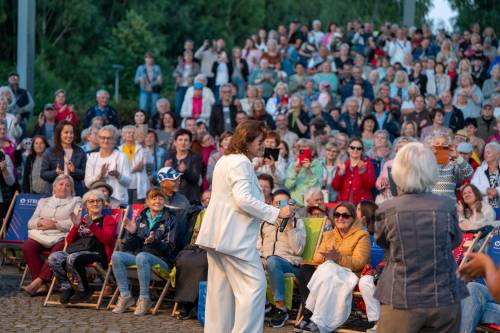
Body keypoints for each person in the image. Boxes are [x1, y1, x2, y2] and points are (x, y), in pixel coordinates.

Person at [195, 120, 295, 333]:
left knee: (220, 293)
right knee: (255, 288)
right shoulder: (241, 162)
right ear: (246, 141)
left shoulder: (226, 160)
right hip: (234, 239)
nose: (263, 146)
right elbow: (243, 200)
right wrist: (277, 213)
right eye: (259, 141)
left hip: (217, 236)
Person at [374, 142, 467, 333]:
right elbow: (456, 241)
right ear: (430, 170)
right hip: (444, 296)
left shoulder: (387, 208)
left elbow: (382, 242)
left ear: (398, 172)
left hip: (401, 296)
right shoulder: (447, 205)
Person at [295, 201, 370, 332]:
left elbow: (359, 263)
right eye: (337, 215)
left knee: (328, 268)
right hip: (328, 271)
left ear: (353, 218)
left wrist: (338, 258)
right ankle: (309, 315)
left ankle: (315, 319)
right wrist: (328, 255)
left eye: (345, 215)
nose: (340, 218)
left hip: (348, 274)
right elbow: (317, 258)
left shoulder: (362, 235)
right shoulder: (329, 234)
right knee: (305, 270)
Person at [111, 188, 179, 316]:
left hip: (162, 261)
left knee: (142, 256)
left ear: (164, 201)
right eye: (154, 198)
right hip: (141, 258)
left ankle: (144, 298)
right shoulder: (140, 218)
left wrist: (154, 241)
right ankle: (125, 296)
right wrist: (132, 234)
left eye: (160, 198)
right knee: (117, 256)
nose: (157, 201)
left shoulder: (171, 219)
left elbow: (170, 248)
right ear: (147, 202)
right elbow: (128, 248)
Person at [48, 190, 117, 303]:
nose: (95, 203)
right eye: (91, 201)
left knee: (73, 258)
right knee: (53, 258)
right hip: (76, 251)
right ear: (86, 205)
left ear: (103, 203)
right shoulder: (81, 221)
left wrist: (92, 225)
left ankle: (84, 289)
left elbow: (107, 239)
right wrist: (76, 226)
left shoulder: (109, 220)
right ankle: (67, 287)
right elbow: (69, 241)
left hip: (97, 253)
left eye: (98, 201)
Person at [22, 175, 82, 296]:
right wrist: (40, 222)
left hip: (62, 236)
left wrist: (56, 225)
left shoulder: (76, 201)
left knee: (57, 251)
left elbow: (75, 223)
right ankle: (43, 285)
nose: (64, 187)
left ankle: (38, 282)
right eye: (60, 184)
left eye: (68, 185)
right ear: (54, 187)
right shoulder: (43, 202)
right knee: (28, 245)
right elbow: (30, 222)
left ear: (71, 189)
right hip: (42, 235)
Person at [257, 189, 306, 328]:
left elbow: (298, 250)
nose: (281, 207)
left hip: (290, 264)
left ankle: (281, 308)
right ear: (272, 206)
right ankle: (265, 304)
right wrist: (260, 257)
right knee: (248, 261)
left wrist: (290, 226)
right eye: (277, 204)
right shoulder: (264, 223)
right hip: (267, 262)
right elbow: (256, 246)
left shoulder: (297, 223)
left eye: (284, 203)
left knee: (272, 261)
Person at [84, 125, 131, 206]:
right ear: (98, 139)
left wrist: (118, 175)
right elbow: (87, 183)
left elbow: (128, 182)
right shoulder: (92, 157)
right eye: (102, 138)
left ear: (114, 140)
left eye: (109, 138)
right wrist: (99, 176)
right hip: (97, 203)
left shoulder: (121, 156)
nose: (105, 141)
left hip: (118, 201)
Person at [41, 120, 87, 196]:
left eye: (71, 132)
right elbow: (43, 174)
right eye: (66, 132)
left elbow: (85, 174)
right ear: (59, 134)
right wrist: (55, 172)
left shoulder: (80, 152)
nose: (69, 135)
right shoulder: (49, 152)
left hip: (75, 194)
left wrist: (74, 170)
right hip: (53, 194)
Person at [429, 134, 474, 200]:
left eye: (444, 144)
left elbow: (469, 174)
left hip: (447, 205)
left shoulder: (453, 163)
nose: (440, 146)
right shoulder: (426, 163)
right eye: (437, 143)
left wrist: (457, 157)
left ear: (448, 147)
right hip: (429, 204)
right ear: (432, 146)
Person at [332, 137, 376, 205]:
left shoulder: (367, 164)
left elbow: (370, 185)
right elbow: (335, 187)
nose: (355, 150)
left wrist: (363, 173)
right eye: (352, 147)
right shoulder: (343, 165)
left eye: (359, 148)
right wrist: (340, 173)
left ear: (362, 151)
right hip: (344, 205)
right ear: (348, 149)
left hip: (361, 206)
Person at [165, 129, 202, 203]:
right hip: (172, 196)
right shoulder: (169, 156)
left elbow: (196, 179)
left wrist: (185, 171)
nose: (183, 143)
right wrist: (166, 169)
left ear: (190, 143)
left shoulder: (195, 157)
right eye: (180, 140)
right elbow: (164, 179)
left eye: (186, 140)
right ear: (175, 142)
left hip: (190, 197)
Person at [284, 139, 324, 207]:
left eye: (306, 151)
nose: (303, 153)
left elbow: (317, 188)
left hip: (312, 205)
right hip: (296, 204)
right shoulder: (293, 165)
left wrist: (308, 170)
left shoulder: (318, 165)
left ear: (312, 152)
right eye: (301, 151)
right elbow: (288, 186)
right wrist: (295, 172)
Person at [119, 125, 149, 203]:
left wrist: (145, 146)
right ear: (123, 135)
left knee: (137, 211)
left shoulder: (141, 148)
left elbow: (146, 163)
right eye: (129, 132)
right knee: (125, 210)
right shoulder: (119, 150)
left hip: (138, 185)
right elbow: (119, 168)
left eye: (133, 133)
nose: (131, 134)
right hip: (124, 185)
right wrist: (133, 169)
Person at [471, 142, 500, 209]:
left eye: (488, 152)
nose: (485, 155)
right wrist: (486, 190)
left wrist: (497, 191)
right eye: (485, 152)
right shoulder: (480, 169)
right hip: (485, 208)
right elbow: (473, 185)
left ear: (498, 154)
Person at [134, 52, 163, 116]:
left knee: (154, 108)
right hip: (144, 91)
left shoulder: (157, 68)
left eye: (151, 58)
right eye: (147, 58)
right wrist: (140, 79)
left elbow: (160, 81)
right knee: (143, 108)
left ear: (153, 59)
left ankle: (153, 122)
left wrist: (151, 85)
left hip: (154, 90)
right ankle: (143, 123)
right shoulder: (140, 68)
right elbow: (135, 80)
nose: (149, 59)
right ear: (145, 59)